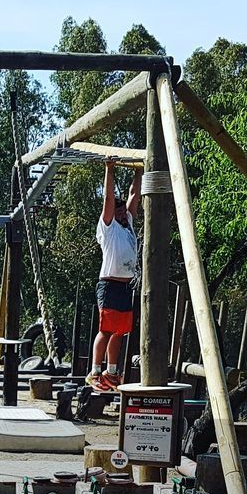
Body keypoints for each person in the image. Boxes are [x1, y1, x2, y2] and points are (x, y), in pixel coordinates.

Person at [87, 158, 142, 393]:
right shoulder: (107, 227)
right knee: (107, 329)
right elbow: (108, 199)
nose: (121, 210)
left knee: (120, 331)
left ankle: (112, 371)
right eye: (118, 209)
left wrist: (139, 170)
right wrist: (109, 170)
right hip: (109, 283)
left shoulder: (127, 223)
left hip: (126, 285)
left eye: (122, 209)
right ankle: (95, 371)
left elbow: (134, 193)